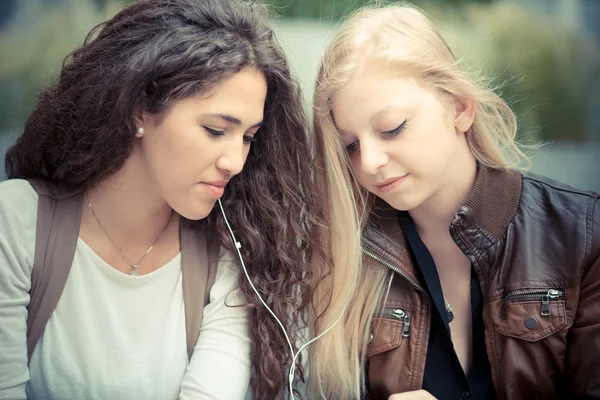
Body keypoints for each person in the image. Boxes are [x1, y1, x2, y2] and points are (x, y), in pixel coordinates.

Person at [0, 0, 324, 399]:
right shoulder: (15, 222)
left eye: (248, 138)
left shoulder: (227, 257)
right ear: (139, 109)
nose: (236, 161)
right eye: (215, 130)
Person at [308, 3, 600, 399]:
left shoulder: (583, 234)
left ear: (460, 108)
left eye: (392, 129)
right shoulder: (341, 256)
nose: (370, 162)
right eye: (351, 145)